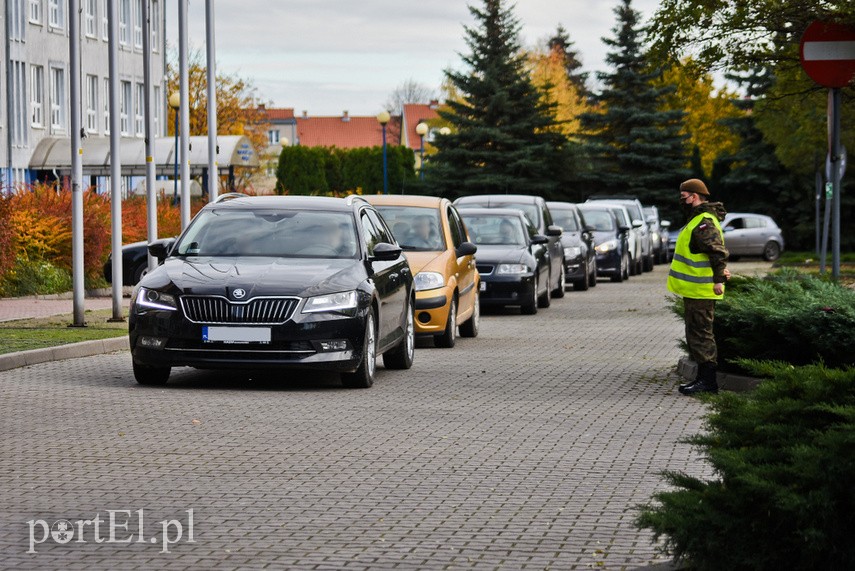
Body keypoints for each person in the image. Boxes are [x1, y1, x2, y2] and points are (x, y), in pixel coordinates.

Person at [667, 179, 731, 395]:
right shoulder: (697, 220)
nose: (681, 201)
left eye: (683, 197)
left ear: (694, 196)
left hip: (703, 290)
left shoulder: (703, 221)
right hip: (697, 290)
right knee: (696, 335)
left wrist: (719, 279)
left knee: (701, 336)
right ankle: (703, 379)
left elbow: (716, 251)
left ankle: (708, 382)